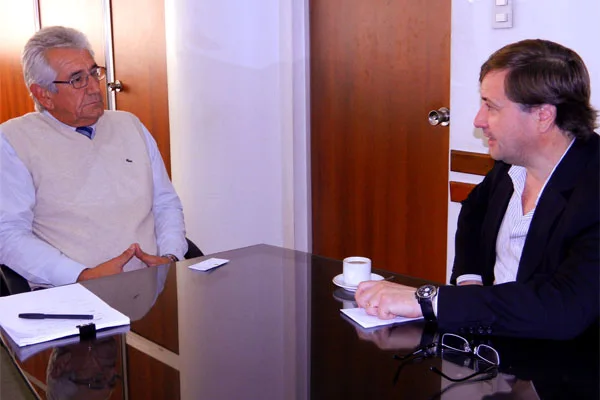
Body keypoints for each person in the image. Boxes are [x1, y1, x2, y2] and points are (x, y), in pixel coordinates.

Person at [355, 39, 599, 340]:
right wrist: (469, 282)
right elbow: (473, 211)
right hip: (498, 351)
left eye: (492, 106)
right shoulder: (511, 164)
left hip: (565, 373)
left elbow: (563, 307)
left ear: (543, 116)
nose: (478, 120)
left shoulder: (593, 188)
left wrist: (430, 301)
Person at [0, 26, 188, 287]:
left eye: (93, 73)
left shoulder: (129, 124)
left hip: (151, 288)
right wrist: (81, 276)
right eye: (77, 79)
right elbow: (8, 234)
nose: (92, 88)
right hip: (72, 297)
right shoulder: (12, 140)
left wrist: (170, 256)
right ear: (44, 94)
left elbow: (165, 203)